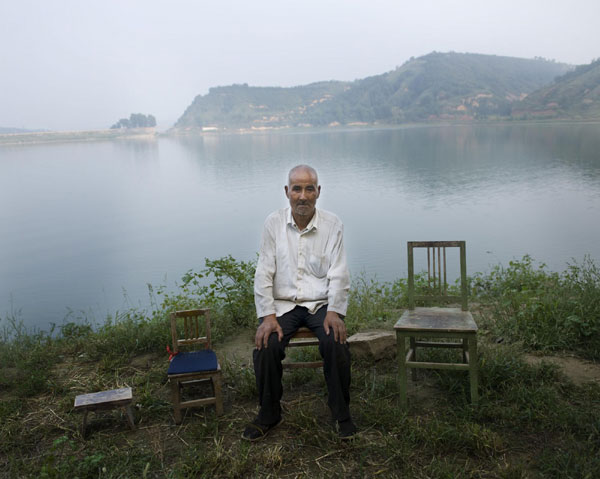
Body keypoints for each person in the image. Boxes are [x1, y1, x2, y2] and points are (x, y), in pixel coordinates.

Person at [242, 164, 356, 441]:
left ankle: (341, 413)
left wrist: (335, 311)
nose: (302, 196)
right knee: (266, 345)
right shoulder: (273, 223)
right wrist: (267, 316)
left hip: (320, 304)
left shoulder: (332, 224)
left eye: (309, 188)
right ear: (287, 192)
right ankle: (269, 413)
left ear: (318, 192)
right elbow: (263, 272)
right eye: (296, 189)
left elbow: (339, 272)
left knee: (336, 342)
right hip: (283, 305)